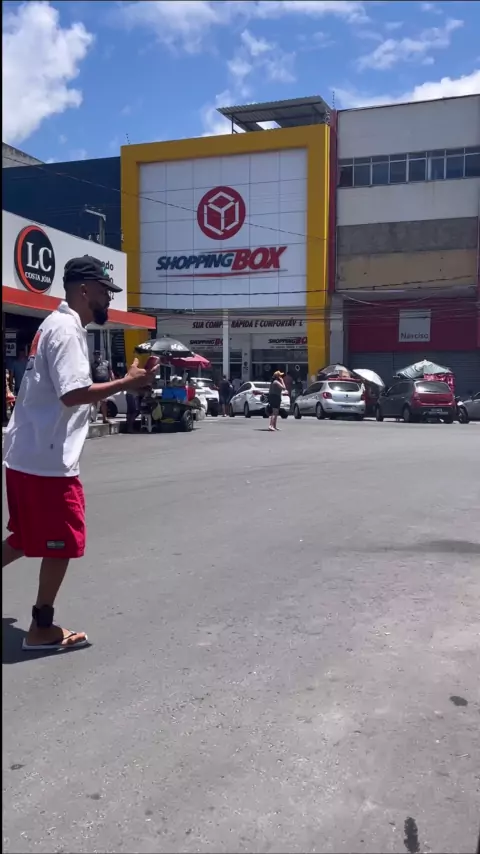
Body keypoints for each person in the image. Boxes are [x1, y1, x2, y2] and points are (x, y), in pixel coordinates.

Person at [2, 255, 157, 652]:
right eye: (106, 291)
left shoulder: (53, 325)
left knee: (25, 538)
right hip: (47, 463)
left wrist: (128, 383)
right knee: (62, 542)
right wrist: (125, 383)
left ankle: (41, 624)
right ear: (85, 290)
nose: (109, 299)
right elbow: (72, 395)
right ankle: (41, 628)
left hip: (26, 455)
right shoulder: (67, 331)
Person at [91, 349, 114, 423]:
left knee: (104, 402)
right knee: (94, 402)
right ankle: (93, 417)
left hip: (105, 385)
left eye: (98, 354)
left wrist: (113, 381)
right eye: (95, 354)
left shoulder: (106, 363)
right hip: (96, 385)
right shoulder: (92, 365)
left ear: (101, 355)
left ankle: (105, 418)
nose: (97, 356)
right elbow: (90, 375)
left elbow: (111, 372)